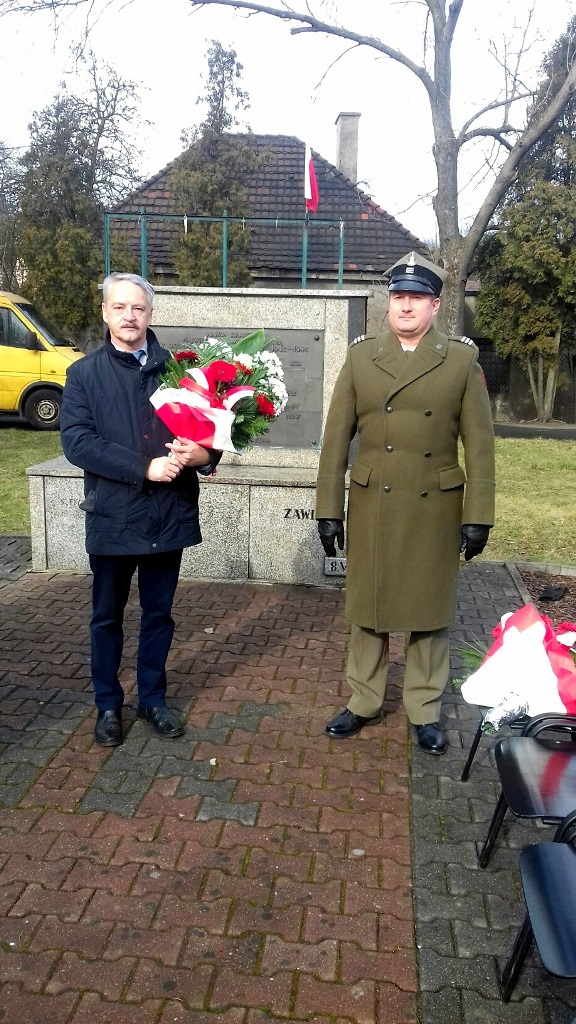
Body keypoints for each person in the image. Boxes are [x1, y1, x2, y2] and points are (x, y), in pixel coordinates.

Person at [315, 252, 495, 754]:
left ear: (435, 305)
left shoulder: (461, 360)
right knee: (368, 607)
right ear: (387, 303)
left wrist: (478, 515)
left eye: (416, 297)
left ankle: (424, 710)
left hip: (434, 502)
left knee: (428, 611)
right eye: (398, 297)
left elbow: (479, 446)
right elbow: (335, 440)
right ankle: (364, 700)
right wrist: (328, 507)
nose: (406, 306)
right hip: (375, 499)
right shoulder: (361, 356)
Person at [61, 273, 220, 747]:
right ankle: (108, 704)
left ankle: (152, 699)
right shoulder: (83, 374)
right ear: (106, 312)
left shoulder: (182, 371)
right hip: (113, 515)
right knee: (106, 617)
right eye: (120, 307)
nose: (130, 316)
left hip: (166, 515)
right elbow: (78, 442)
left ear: (150, 314)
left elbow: (211, 433)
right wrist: (142, 467)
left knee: (158, 615)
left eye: (139, 308)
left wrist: (205, 457)